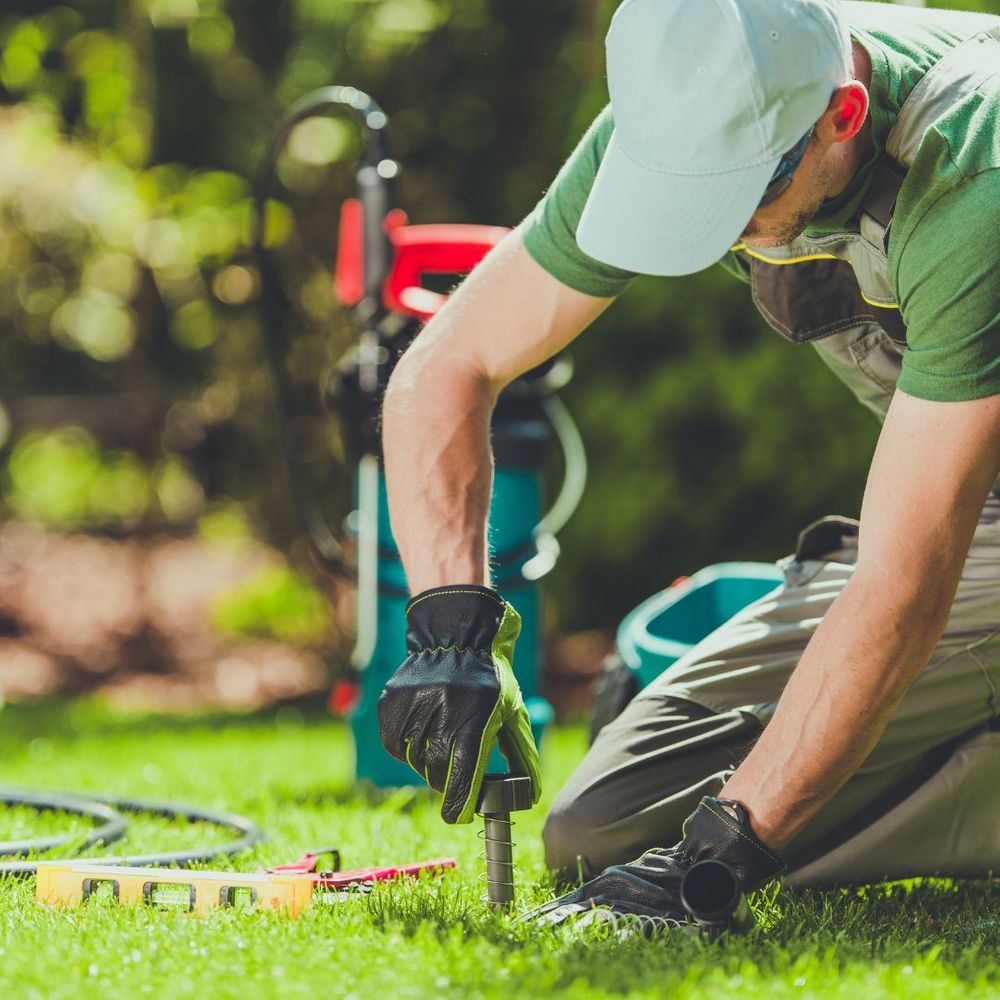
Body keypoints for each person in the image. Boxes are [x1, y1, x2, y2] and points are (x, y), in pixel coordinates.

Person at [375, 0, 1000, 928]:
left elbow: (906, 585)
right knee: (601, 829)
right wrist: (450, 628)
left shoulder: (972, 166)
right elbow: (446, 369)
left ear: (844, 116)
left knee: (726, 835)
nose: (721, 230)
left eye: (741, 197)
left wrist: (725, 852)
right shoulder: (685, 109)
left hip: (951, 549)